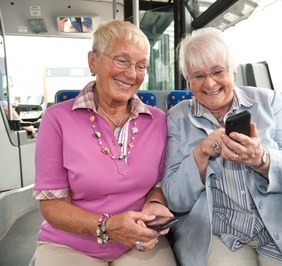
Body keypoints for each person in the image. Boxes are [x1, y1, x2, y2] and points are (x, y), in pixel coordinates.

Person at [162, 27, 282, 266]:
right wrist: (200, 153)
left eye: (218, 71)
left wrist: (260, 158)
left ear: (233, 70)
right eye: (198, 75)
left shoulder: (267, 102)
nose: (209, 83)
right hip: (216, 233)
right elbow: (174, 198)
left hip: (276, 227)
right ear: (188, 79)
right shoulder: (177, 117)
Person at [33, 20, 176, 266]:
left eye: (141, 66)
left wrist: (154, 203)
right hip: (70, 244)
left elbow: (159, 183)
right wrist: (109, 227)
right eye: (121, 60)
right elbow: (53, 206)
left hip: (139, 240)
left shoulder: (158, 120)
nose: (131, 74)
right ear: (93, 61)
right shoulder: (56, 119)